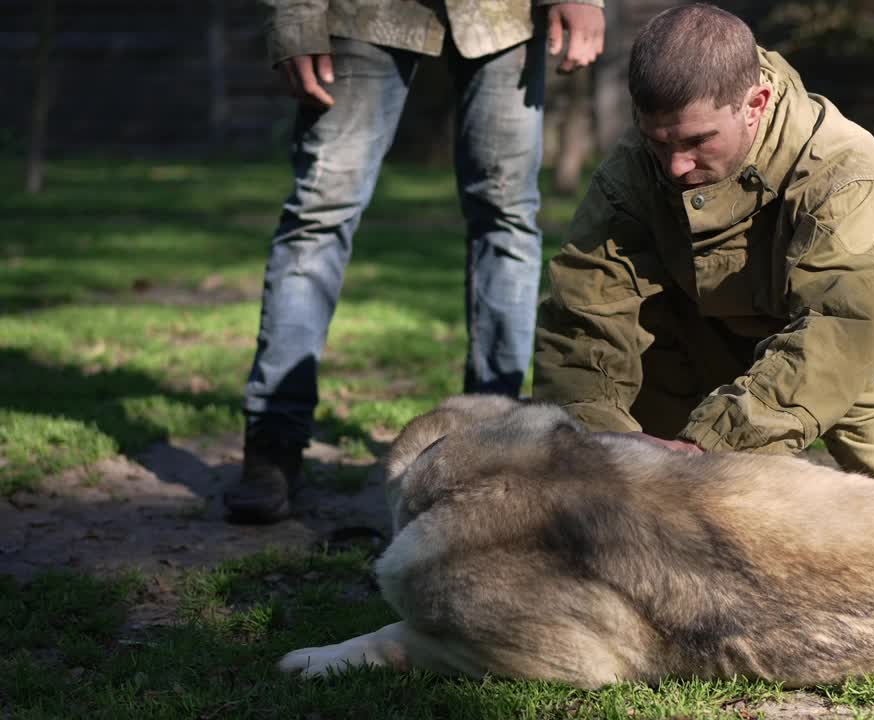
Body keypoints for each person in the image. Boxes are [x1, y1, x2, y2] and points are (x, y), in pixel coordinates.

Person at [533, 4, 874, 479]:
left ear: (755, 104)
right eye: (659, 142)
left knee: (852, 355)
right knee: (638, 348)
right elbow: (584, 319)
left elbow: (839, 329)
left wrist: (708, 447)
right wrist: (598, 454)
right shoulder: (633, 170)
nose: (675, 165)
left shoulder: (844, 170)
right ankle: (660, 503)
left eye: (698, 141)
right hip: (726, 334)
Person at [225, 0, 606, 523]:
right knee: (319, 213)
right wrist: (293, 16)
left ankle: (492, 447)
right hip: (362, 12)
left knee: (508, 220)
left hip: (505, 17)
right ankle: (272, 444)